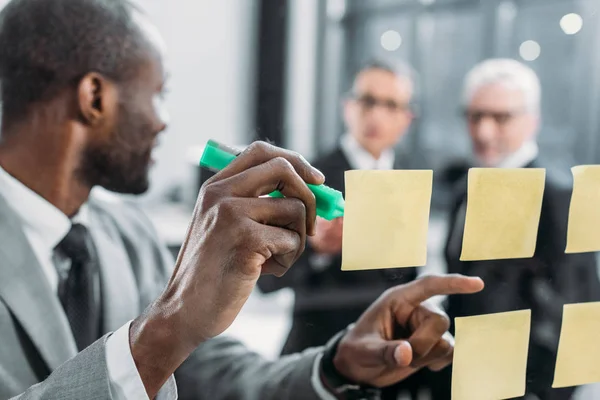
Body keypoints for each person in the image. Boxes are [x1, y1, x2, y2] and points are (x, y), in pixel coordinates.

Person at [0, 1, 486, 399]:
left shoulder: (127, 233)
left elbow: (209, 372)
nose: (164, 121)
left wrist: (335, 367)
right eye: (159, 93)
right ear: (94, 97)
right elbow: (167, 342)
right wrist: (167, 328)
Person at [431, 58, 600, 400]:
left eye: (501, 117)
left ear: (532, 120)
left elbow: (578, 315)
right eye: (475, 116)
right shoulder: (465, 185)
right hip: (460, 379)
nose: (484, 131)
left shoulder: (558, 196)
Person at [258, 60, 418, 358]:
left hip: (386, 354)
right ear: (348, 106)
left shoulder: (410, 179)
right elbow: (265, 280)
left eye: (390, 105)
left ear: (406, 118)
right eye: (368, 101)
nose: (377, 115)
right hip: (319, 351)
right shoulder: (307, 176)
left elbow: (406, 276)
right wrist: (316, 251)